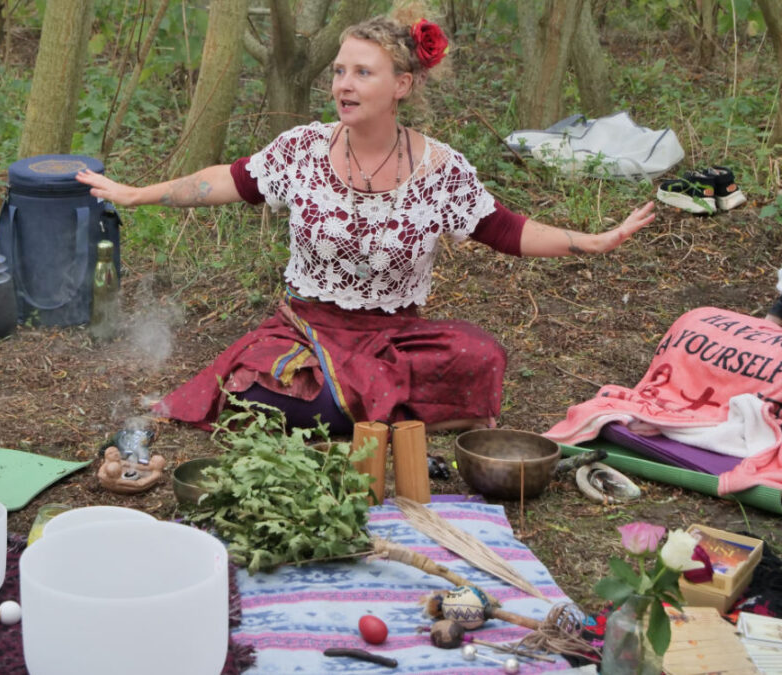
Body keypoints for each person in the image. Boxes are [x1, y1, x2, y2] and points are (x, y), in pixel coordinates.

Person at [76, 14, 655, 436]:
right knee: (269, 382)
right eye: (338, 72)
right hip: (306, 330)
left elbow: (504, 230)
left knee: (481, 354)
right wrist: (138, 194)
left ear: (401, 85)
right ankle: (376, 414)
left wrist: (589, 241)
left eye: (361, 72)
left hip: (391, 338)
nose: (343, 85)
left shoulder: (439, 168)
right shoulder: (302, 149)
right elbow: (226, 181)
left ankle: (360, 408)